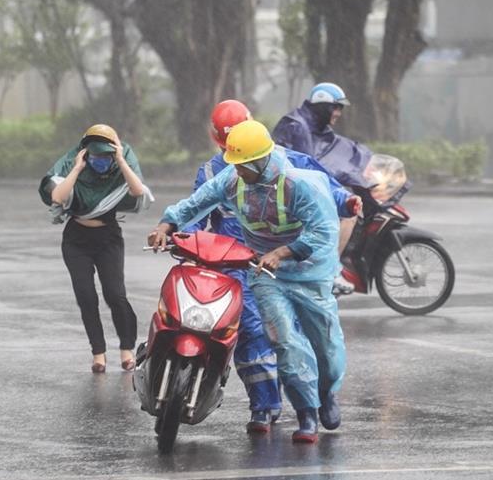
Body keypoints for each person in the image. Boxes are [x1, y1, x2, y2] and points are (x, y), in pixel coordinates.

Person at [149, 120, 349, 444]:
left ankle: (326, 393)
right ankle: (307, 414)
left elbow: (323, 231)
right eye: (236, 165)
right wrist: (167, 225)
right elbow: (197, 202)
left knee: (326, 347)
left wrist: (283, 252)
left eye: (244, 166)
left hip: (309, 271)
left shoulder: (298, 183)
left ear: (261, 161)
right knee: (285, 342)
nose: (238, 171)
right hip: (265, 272)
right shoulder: (232, 179)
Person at [39, 124, 153, 374]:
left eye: (105, 155)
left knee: (115, 294)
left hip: (108, 237)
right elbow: (57, 196)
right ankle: (98, 353)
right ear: (86, 152)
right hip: (76, 238)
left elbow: (137, 191)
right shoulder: (74, 164)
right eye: (95, 155)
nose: (100, 159)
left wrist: (120, 161)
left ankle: (127, 349)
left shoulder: (120, 164)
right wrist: (77, 168)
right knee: (86, 297)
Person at [272, 82, 374, 294]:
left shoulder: (312, 126)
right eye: (335, 108)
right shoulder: (298, 126)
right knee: (348, 213)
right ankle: (330, 269)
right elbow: (305, 168)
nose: (338, 113)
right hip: (287, 195)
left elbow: (322, 159)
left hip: (292, 189)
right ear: (323, 106)